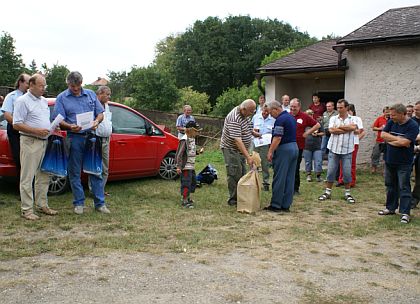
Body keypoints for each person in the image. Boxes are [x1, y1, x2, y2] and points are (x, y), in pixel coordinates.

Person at [53, 71, 109, 215]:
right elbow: (58, 120)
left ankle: (100, 204)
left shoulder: (90, 94)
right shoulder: (62, 98)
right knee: (74, 172)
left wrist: (97, 121)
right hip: (74, 137)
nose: (76, 89)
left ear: (81, 83)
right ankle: (79, 203)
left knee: (95, 170)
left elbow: (100, 113)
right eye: (73, 86)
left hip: (91, 137)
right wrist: (70, 126)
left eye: (78, 86)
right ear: (68, 84)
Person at [12, 74, 58, 220]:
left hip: (44, 141)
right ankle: (26, 209)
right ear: (31, 85)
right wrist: (36, 131)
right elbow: (16, 123)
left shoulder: (43, 101)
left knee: (44, 175)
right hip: (30, 141)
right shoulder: (22, 101)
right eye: (41, 85)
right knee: (28, 176)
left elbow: (43, 120)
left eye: (45, 86)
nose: (43, 89)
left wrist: (51, 128)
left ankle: (42, 204)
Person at [378, 103, 418, 224]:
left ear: (402, 114)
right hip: (390, 160)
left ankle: (405, 212)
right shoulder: (391, 122)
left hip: (404, 162)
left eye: (394, 115)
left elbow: (405, 143)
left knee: (404, 186)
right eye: (391, 115)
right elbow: (383, 134)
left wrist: (391, 140)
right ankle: (390, 208)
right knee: (390, 185)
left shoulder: (413, 125)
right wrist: (397, 140)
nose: (391, 117)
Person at [318, 99, 357, 204]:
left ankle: (347, 193)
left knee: (347, 172)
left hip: (347, 150)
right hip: (334, 149)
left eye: (341, 107)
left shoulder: (352, 119)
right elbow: (331, 130)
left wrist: (339, 128)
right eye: (338, 107)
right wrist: (347, 129)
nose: (339, 109)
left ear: (347, 108)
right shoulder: (333, 118)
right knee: (330, 171)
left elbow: (354, 127)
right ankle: (327, 192)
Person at [264, 100, 298, 212]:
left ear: (275, 109)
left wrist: (270, 151)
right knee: (290, 177)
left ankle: (276, 204)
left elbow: (277, 137)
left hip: (284, 149)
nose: (270, 115)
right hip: (294, 147)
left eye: (270, 112)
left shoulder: (280, 119)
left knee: (279, 176)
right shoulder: (291, 117)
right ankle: (286, 204)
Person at [220, 99, 256, 206]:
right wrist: (248, 157)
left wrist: (254, 133)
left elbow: (247, 126)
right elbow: (237, 140)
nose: (252, 114)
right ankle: (233, 199)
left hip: (240, 149)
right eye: (250, 111)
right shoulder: (233, 118)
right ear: (243, 109)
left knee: (242, 172)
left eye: (253, 111)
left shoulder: (245, 114)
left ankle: (241, 196)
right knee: (234, 172)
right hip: (231, 149)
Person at [290, 98, 320, 194]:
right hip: (288, 145)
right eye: (291, 106)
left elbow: (317, 125)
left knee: (295, 166)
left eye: (294, 107)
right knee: (288, 166)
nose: (292, 108)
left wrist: (307, 133)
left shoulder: (304, 116)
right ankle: (288, 186)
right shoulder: (288, 115)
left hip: (299, 146)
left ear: (299, 107)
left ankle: (295, 188)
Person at [1, 73, 30, 169]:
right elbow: (7, 115)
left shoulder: (31, 97)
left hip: (29, 130)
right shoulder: (11, 96)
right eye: (27, 83)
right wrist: (20, 125)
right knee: (19, 159)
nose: (29, 85)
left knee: (28, 159)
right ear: (20, 82)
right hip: (15, 131)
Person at [89, 86, 112, 196]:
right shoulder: (93, 105)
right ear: (100, 94)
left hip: (106, 140)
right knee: (94, 166)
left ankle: (100, 190)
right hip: (96, 139)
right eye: (107, 94)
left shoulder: (107, 106)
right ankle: (93, 190)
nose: (109, 96)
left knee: (105, 167)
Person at [175, 121, 203, 208]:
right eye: (196, 130)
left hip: (191, 166)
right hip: (185, 167)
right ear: (190, 130)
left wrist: (198, 152)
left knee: (193, 182)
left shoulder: (192, 139)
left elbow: (191, 152)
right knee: (186, 183)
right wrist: (178, 166)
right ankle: (184, 201)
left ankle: (188, 197)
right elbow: (179, 154)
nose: (197, 132)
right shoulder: (184, 140)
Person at [337, 104, 365, 187]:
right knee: (342, 162)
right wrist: (350, 129)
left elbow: (359, 131)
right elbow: (337, 128)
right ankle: (341, 179)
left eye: (348, 111)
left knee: (351, 162)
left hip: (353, 143)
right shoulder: (343, 119)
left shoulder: (357, 119)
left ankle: (351, 180)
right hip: (343, 142)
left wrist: (345, 129)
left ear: (352, 111)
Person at [252, 104, 275, 191]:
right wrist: (254, 131)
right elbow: (250, 127)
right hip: (256, 142)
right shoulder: (256, 117)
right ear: (261, 110)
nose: (265, 113)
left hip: (266, 144)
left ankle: (266, 183)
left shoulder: (272, 119)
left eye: (267, 111)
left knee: (265, 164)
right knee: (254, 162)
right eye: (264, 111)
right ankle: (254, 181)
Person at [303, 109, 324, 182]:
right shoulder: (304, 124)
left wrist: (317, 134)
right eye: (308, 115)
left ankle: (318, 175)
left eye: (311, 114)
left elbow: (323, 133)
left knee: (318, 161)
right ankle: (309, 175)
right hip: (306, 146)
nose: (310, 116)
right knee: (308, 161)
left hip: (317, 146)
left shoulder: (317, 123)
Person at [371, 106, 390, 173]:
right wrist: (380, 129)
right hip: (379, 140)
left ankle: (385, 170)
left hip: (389, 141)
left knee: (387, 155)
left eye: (389, 112)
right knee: (375, 154)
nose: (388, 113)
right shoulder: (379, 119)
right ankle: (374, 168)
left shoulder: (392, 119)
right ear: (383, 112)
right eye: (386, 112)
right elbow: (373, 127)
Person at [411, 101, 420, 209]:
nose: (415, 111)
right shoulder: (412, 121)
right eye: (415, 109)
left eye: (417, 109)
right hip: (414, 151)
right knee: (418, 178)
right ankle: (414, 199)